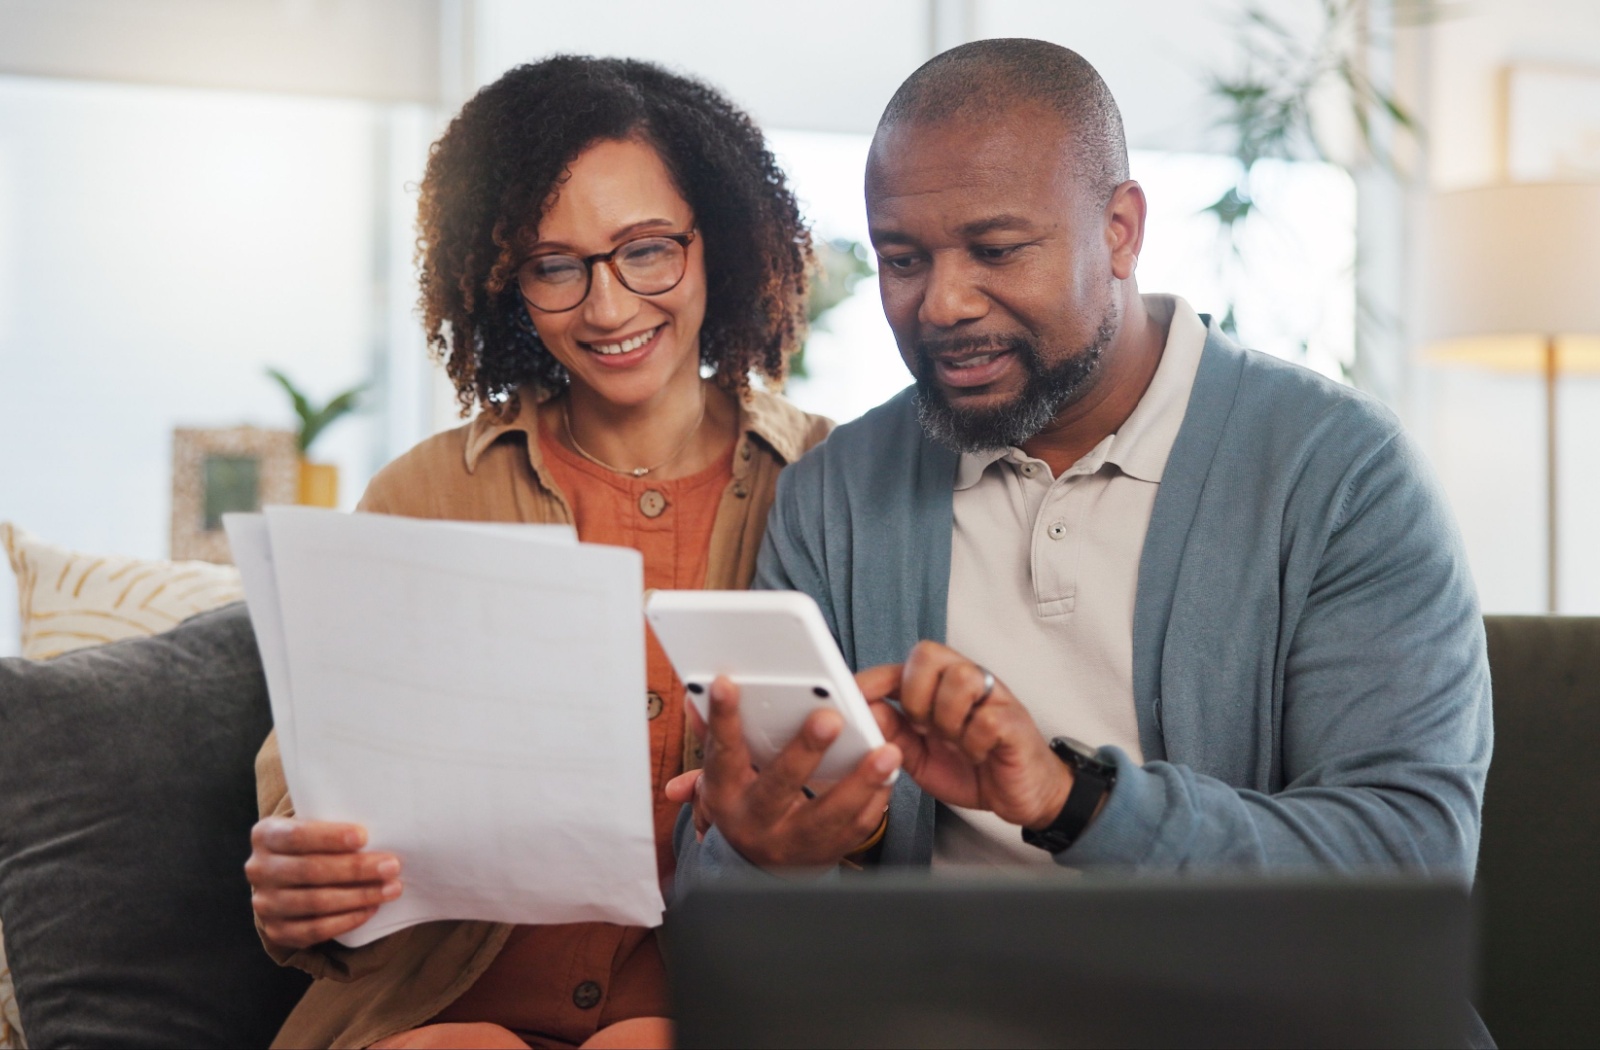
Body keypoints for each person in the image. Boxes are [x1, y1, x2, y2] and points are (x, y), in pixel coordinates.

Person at [671, 39, 1492, 892]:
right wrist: (790, 844)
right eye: (903, 260)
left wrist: (1076, 802)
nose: (943, 305)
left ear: (1121, 230)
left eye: (996, 250)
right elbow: (718, 887)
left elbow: (1412, 861)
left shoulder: (1339, 473)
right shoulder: (836, 491)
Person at [242, 56, 830, 1050]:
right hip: (429, 1011)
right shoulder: (424, 494)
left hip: (706, 1003)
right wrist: (302, 884)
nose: (606, 308)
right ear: (502, 281)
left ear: (716, 242)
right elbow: (314, 794)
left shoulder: (824, 483)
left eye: (646, 250)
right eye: (555, 266)